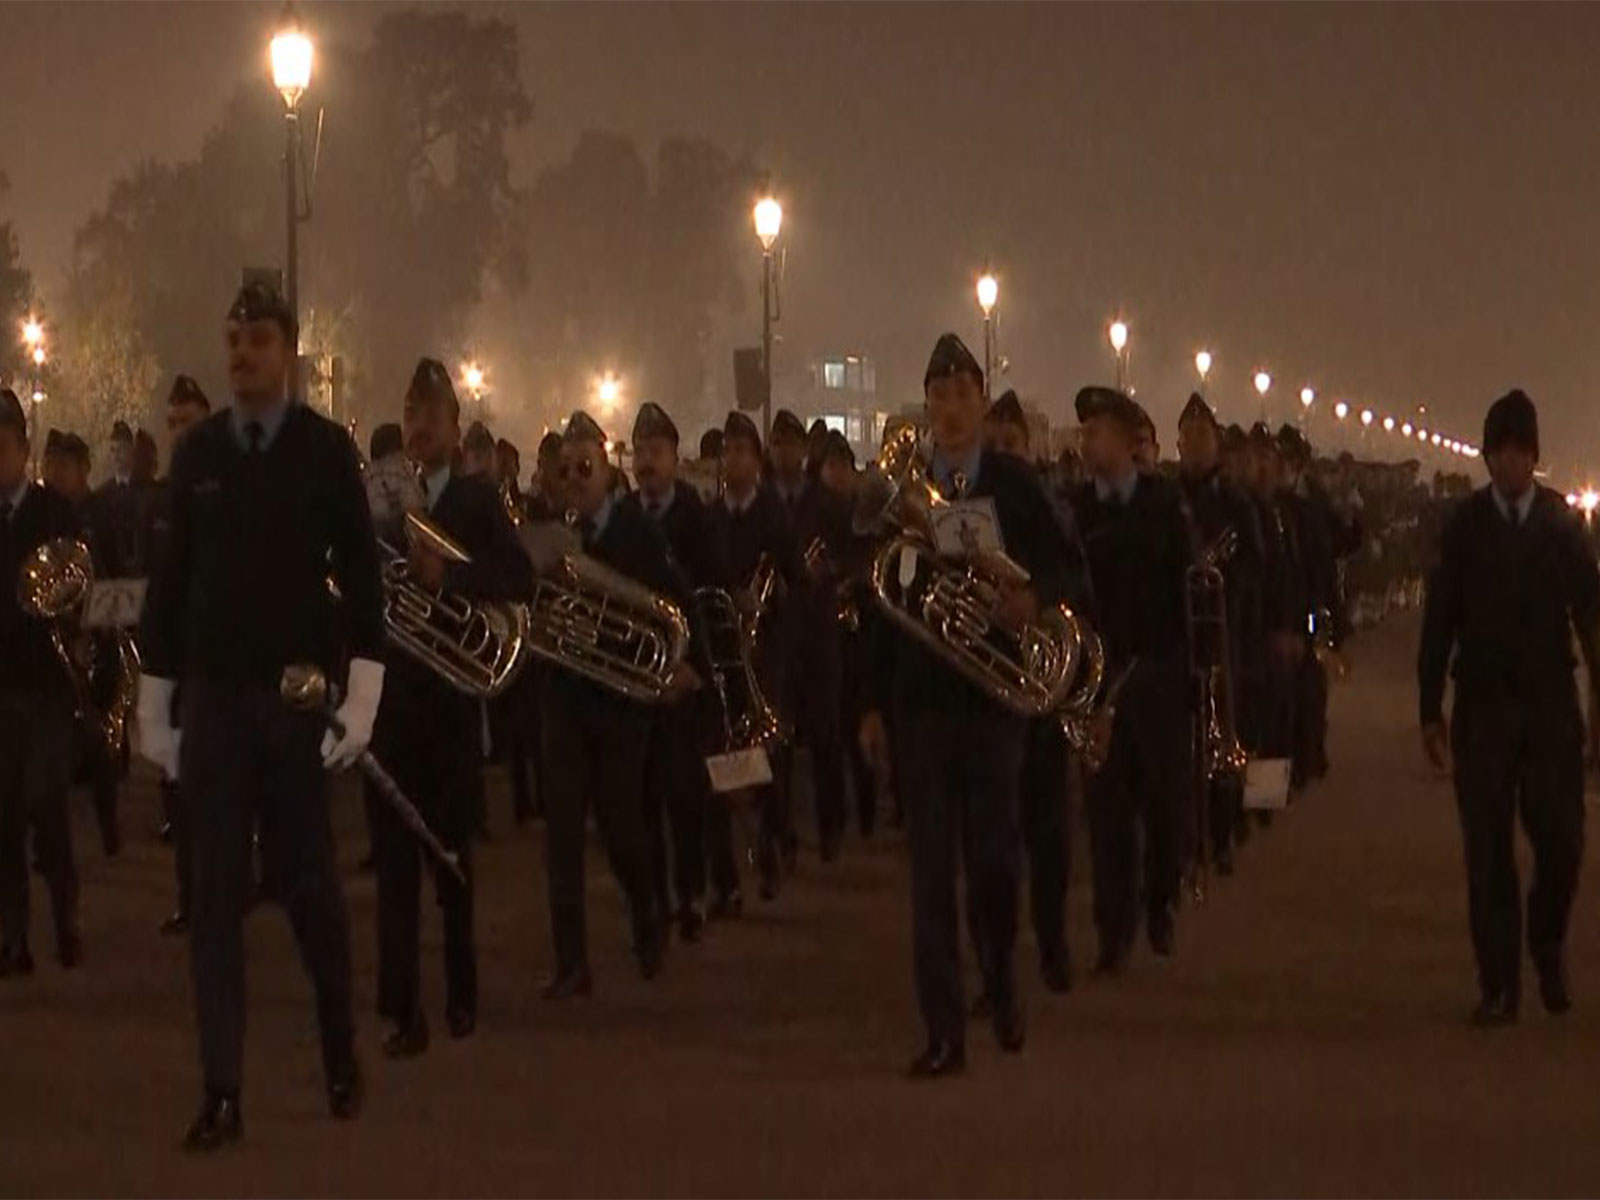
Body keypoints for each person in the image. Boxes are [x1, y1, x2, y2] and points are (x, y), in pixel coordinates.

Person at [136, 281, 385, 1150]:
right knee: (213, 899)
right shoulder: (200, 454)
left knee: (309, 888)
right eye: (234, 339)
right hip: (213, 702)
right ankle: (223, 1092)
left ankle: (340, 1047)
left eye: (260, 340)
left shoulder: (322, 451)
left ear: (290, 352)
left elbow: (364, 579)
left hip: (291, 702)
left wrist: (362, 694)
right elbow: (171, 585)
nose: (242, 354)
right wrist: (155, 699)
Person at [858, 334, 1079, 1078]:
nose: (950, 409)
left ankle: (1003, 983)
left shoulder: (1016, 484)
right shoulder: (909, 488)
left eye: (962, 395)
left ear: (981, 402)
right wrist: (871, 705)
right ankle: (943, 1033)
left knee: (992, 863)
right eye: (939, 396)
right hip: (922, 703)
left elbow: (1067, 565)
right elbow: (879, 603)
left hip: (991, 702)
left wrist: (1032, 597)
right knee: (928, 876)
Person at [1418, 389, 1600, 1026]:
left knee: (1563, 842)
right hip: (1484, 707)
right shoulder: (1466, 527)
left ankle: (1545, 943)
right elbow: (1439, 621)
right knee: (1488, 851)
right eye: (1500, 450)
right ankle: (1498, 984)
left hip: (1549, 706)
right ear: (1488, 455)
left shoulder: (1561, 527)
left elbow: (1592, 619)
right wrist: (1428, 708)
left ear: (1534, 457)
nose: (1511, 462)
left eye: (1521, 451)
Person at [372, 358, 530, 1057]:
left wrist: (451, 576)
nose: (419, 426)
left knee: (453, 865)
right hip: (391, 706)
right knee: (394, 872)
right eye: (411, 414)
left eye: (432, 415)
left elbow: (517, 576)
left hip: (450, 707)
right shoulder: (381, 502)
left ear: (455, 427)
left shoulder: (474, 499)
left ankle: (461, 995)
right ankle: (402, 1010)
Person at [539, 410, 692, 998]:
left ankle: (649, 915)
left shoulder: (635, 530)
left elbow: (675, 599)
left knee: (620, 826)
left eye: (585, 468)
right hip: (565, 697)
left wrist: (683, 664)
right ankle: (570, 962)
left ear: (607, 472)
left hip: (618, 702)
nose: (574, 480)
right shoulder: (552, 530)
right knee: (561, 834)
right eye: (565, 470)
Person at [1074, 385, 1194, 972]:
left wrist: (1181, 674)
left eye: (1096, 431)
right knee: (1107, 816)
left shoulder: (1164, 507)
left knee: (1164, 809)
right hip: (1096, 680)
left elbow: (1184, 596)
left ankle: (1160, 901)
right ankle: (1113, 931)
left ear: (1126, 442)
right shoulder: (1075, 510)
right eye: (1084, 431)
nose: (1086, 442)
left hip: (1155, 678)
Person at [983, 389, 1090, 993]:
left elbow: (1074, 573)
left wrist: (1036, 597)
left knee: (1046, 826)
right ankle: (995, 966)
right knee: (992, 837)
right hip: (983, 681)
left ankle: (1052, 942)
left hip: (1038, 680)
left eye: (1012, 443)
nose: (1003, 453)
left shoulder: (1046, 501)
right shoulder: (967, 500)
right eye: (994, 443)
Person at [626, 401, 731, 943]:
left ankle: (691, 891)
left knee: (685, 792)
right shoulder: (625, 515)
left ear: (674, 456)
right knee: (641, 796)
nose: (646, 461)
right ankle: (655, 897)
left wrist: (699, 668)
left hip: (685, 675)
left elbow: (712, 597)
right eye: (639, 451)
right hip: (636, 672)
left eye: (656, 451)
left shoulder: (697, 517)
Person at [0, 388, 82, 978]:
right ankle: (14, 938)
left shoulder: (53, 513)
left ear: (23, 450)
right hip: (3, 684)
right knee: (4, 815)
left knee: (47, 808)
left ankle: (64, 918)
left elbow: (78, 581)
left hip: (46, 684)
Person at [708, 410, 804, 903]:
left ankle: (771, 842)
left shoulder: (773, 513)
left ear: (757, 460)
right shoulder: (712, 515)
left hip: (768, 646)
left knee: (766, 747)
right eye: (727, 451)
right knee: (729, 748)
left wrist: (768, 601)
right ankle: (739, 860)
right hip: (726, 647)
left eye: (742, 451)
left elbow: (796, 575)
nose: (733, 460)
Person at [1177, 394, 1263, 875]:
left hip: (1230, 631)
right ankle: (1192, 837)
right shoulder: (1168, 498)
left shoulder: (1235, 503)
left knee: (1230, 730)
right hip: (1182, 635)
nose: (1193, 444)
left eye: (1202, 435)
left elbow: (1257, 564)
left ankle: (1229, 828)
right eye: (1187, 436)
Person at [769, 408, 849, 863]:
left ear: (803, 449)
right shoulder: (763, 502)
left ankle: (831, 826)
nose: (784, 452)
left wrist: (827, 570)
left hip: (819, 630)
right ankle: (782, 832)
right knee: (777, 739)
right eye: (777, 444)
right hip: (779, 633)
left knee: (826, 736)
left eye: (790, 443)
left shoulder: (826, 502)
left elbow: (851, 552)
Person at [155, 375, 212, 936]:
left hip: (217, 665)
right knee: (176, 788)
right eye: (173, 423)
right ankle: (190, 896)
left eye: (188, 422)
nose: (179, 433)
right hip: (172, 665)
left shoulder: (225, 490)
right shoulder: (160, 497)